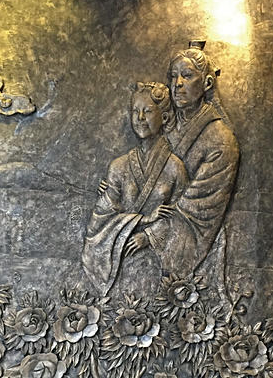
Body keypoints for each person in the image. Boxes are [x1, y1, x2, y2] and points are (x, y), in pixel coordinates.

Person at [129, 42, 240, 280]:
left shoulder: (221, 140)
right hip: (141, 221)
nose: (177, 84)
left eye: (187, 76)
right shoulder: (164, 123)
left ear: (207, 83)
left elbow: (197, 206)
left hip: (180, 237)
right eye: (173, 76)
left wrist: (150, 235)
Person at [82, 82, 188, 295]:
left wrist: (149, 236)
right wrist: (145, 220)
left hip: (157, 262)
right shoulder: (118, 166)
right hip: (121, 257)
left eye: (147, 111)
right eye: (135, 111)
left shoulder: (175, 167)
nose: (140, 118)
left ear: (164, 117)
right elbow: (101, 218)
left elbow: (182, 218)